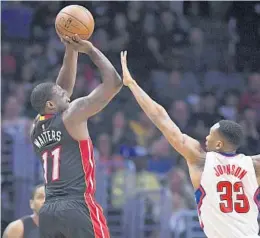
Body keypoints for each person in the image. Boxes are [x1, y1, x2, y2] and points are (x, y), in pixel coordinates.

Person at [120, 51, 260, 238]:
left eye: (210, 135)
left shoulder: (200, 161)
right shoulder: (253, 165)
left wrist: (132, 85)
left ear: (219, 144)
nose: (205, 139)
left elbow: (161, 117)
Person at [30, 35, 122, 238]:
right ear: (51, 105)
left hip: (49, 212)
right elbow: (114, 83)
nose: (66, 94)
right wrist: (90, 50)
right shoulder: (73, 114)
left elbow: (62, 88)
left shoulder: (35, 127)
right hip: (77, 205)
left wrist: (70, 51)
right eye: (59, 94)